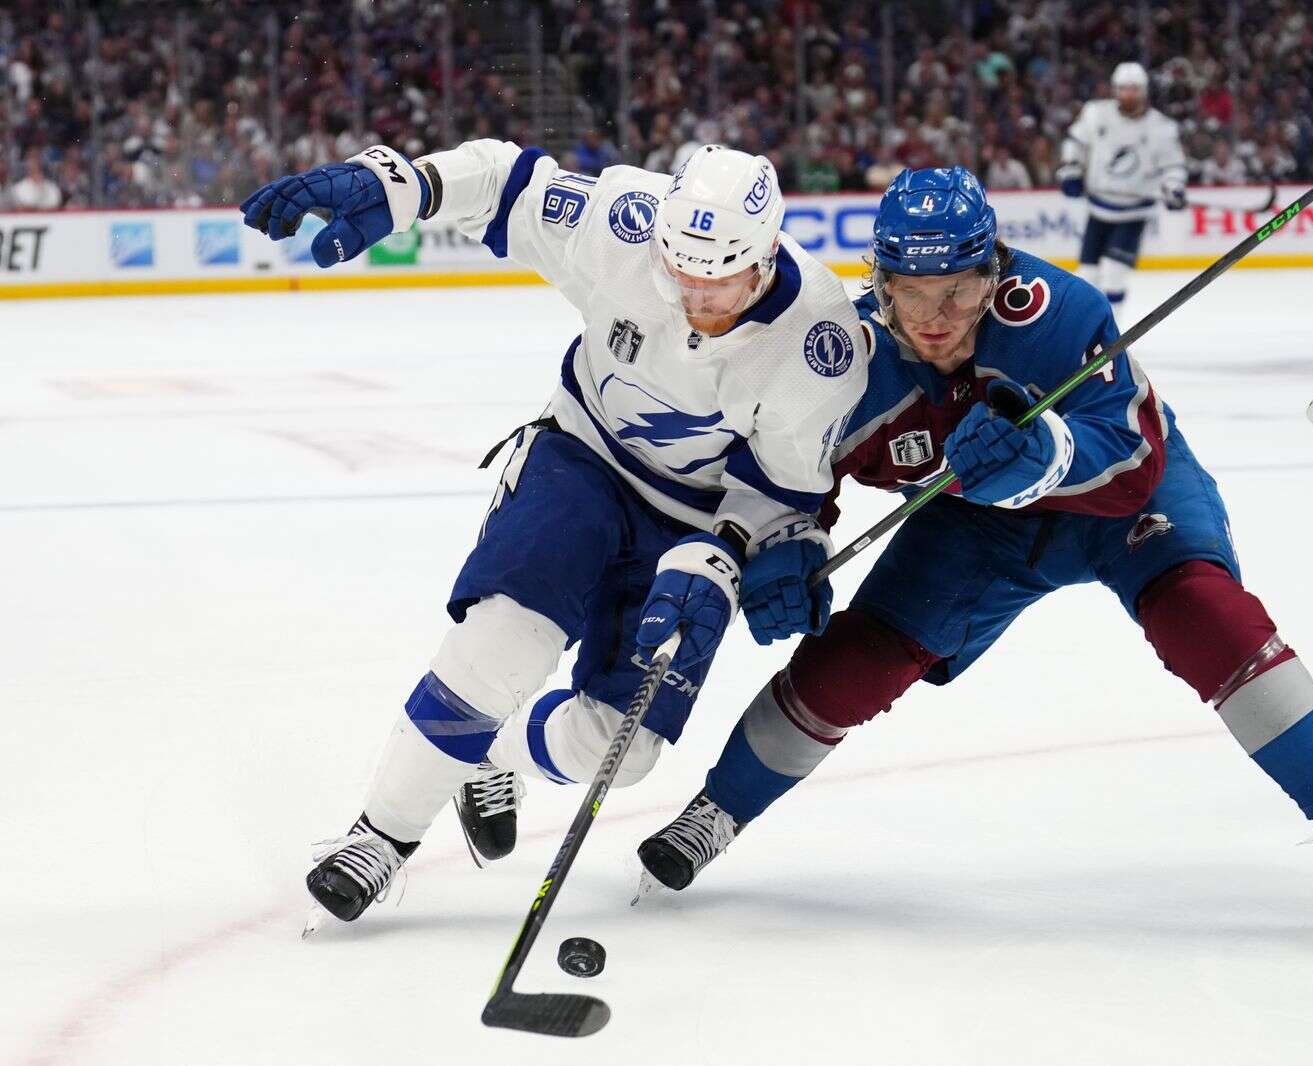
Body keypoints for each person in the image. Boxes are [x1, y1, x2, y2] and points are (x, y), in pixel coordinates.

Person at [634, 167, 1313, 928]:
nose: (937, 316)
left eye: (961, 291)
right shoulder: (849, 363)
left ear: (994, 272)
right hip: (978, 522)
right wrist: (786, 541)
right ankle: (716, 812)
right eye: (912, 292)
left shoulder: (1058, 313)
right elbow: (788, 473)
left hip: (1123, 501)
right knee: (854, 660)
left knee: (1206, 616)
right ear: (879, 283)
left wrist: (1044, 454)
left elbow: (1131, 465)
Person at [240, 139, 867, 925]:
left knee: (621, 750)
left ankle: (491, 753)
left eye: (722, 285)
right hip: (583, 457)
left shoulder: (818, 347)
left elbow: (779, 492)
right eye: (683, 276)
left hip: (695, 521)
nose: (697, 301)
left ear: (768, 253)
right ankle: (381, 839)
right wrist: (399, 184)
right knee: (501, 644)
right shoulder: (626, 223)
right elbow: (504, 182)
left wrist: (725, 560)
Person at [1059, 62, 1187, 313]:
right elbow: (1076, 143)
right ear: (1115, 90)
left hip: (1134, 213)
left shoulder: (1161, 127)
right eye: (1124, 89)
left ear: (1144, 91)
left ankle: (1112, 338)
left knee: (1115, 274)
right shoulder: (1096, 114)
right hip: (1099, 208)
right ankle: (1085, 334)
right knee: (1087, 276)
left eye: (1134, 89)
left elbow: (1173, 166)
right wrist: (1071, 170)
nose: (1129, 95)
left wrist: (1174, 188)